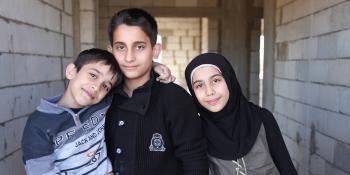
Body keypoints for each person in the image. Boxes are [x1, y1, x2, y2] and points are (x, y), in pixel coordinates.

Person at [105, 8, 208, 175]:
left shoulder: (175, 98)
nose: (129, 57)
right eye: (121, 47)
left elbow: (194, 160)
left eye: (139, 47)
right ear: (110, 50)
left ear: (155, 50)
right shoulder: (102, 96)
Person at [185, 53, 297, 175]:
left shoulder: (262, 118)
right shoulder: (195, 132)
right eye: (199, 85)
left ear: (229, 80)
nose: (209, 91)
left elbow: (287, 169)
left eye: (216, 80)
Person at [22, 48, 120, 175]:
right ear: (71, 72)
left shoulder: (101, 105)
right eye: (93, 75)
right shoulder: (38, 125)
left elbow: (134, 79)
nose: (96, 87)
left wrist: (154, 67)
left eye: (105, 86)